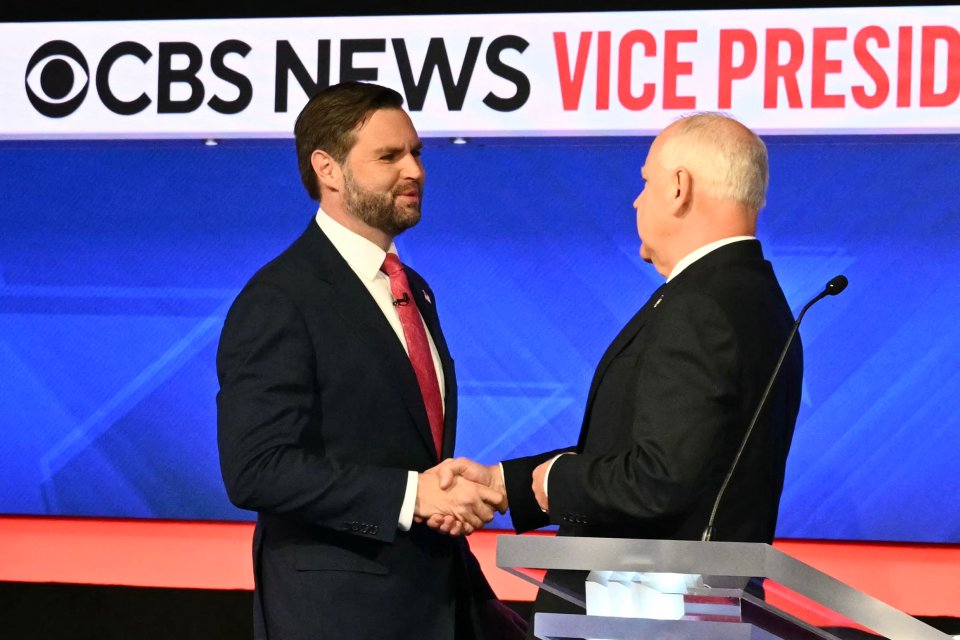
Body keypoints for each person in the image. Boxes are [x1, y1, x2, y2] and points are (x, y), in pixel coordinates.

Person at [429, 112, 803, 627]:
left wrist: (553, 481)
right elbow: (660, 450)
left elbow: (658, 478)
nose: (636, 199)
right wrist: (504, 483)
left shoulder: (701, 304)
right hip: (687, 609)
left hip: (643, 612)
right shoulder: (754, 297)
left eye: (645, 181)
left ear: (678, 188)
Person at [216, 81, 523, 640]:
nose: (415, 171)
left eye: (417, 153)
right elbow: (256, 468)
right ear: (327, 169)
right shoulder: (281, 298)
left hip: (435, 601)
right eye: (389, 156)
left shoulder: (414, 289)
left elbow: (410, 448)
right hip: (337, 615)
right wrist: (412, 494)